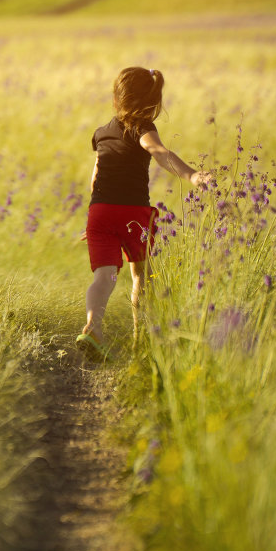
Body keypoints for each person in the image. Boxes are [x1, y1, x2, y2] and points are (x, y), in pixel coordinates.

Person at [78, 66, 211, 357]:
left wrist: (96, 221)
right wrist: (192, 176)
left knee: (104, 277)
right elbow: (159, 152)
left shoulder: (101, 133)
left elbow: (95, 180)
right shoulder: (143, 128)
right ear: (152, 100)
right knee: (141, 274)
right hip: (132, 214)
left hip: (99, 212)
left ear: (117, 97)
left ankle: (92, 328)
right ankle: (141, 341)